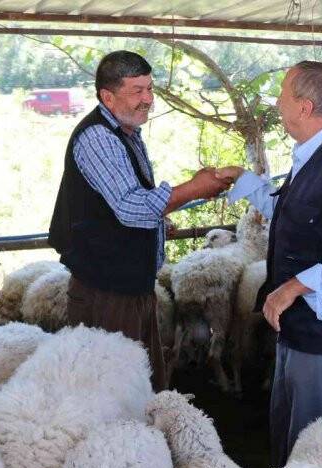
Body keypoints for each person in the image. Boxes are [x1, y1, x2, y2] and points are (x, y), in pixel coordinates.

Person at [217, 61, 322, 468]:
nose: (277, 102)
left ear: (305, 107)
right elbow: (291, 210)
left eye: (283, 94)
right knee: (290, 425)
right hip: (303, 325)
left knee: (314, 445)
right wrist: (243, 180)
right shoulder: (317, 150)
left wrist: (291, 287)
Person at [48, 51, 230, 390]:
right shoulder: (99, 138)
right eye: (137, 91)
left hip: (128, 288)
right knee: (114, 391)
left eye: (149, 88)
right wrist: (193, 189)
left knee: (138, 385)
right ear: (107, 96)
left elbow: (118, 206)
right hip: (108, 294)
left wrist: (157, 227)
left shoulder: (126, 131)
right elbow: (132, 207)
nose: (148, 99)